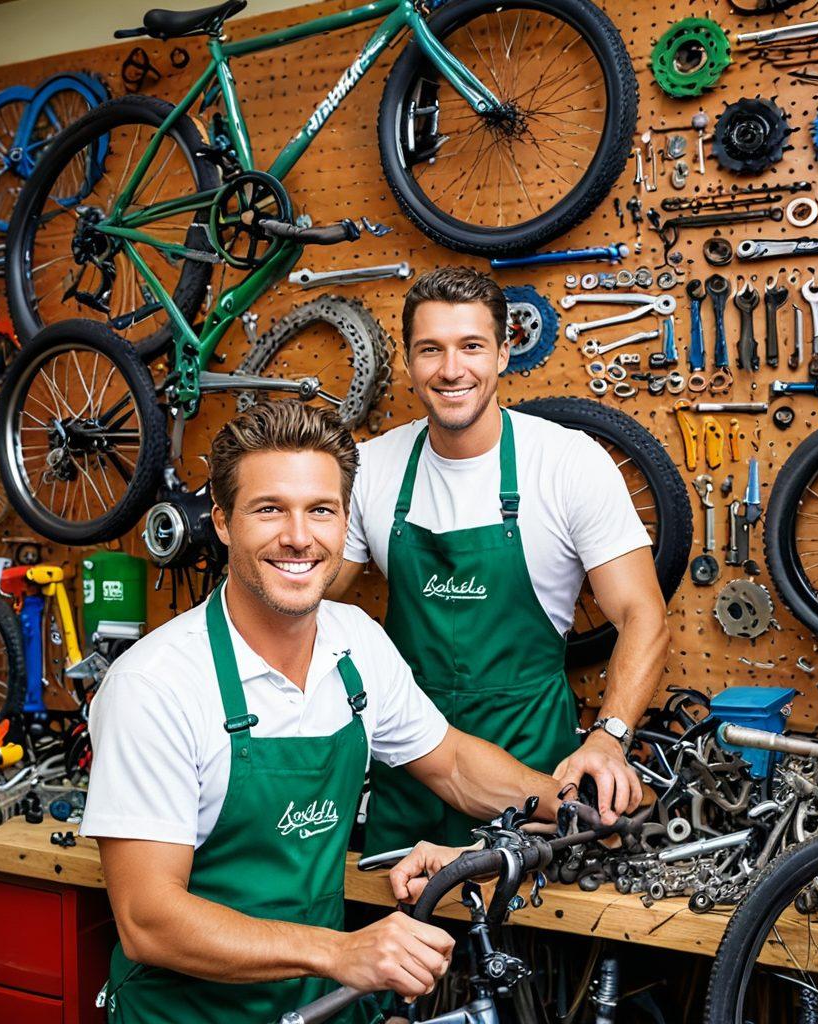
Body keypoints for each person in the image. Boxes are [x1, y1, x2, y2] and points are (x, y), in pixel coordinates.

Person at [80, 401, 574, 1024]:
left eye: (321, 510)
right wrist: (342, 952)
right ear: (224, 521)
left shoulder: (354, 642)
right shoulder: (156, 685)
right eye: (269, 509)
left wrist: (569, 800)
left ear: (345, 521)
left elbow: (450, 763)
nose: (299, 536)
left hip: (323, 1007)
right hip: (193, 1014)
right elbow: (149, 919)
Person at [328, 267, 669, 855]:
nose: (451, 369)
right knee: (399, 938)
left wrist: (609, 738)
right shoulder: (371, 467)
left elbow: (645, 616)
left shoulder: (566, 462)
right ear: (409, 361)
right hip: (408, 765)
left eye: (471, 347)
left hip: (534, 769)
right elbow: (311, 597)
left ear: (504, 353)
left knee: (525, 935)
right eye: (430, 349)